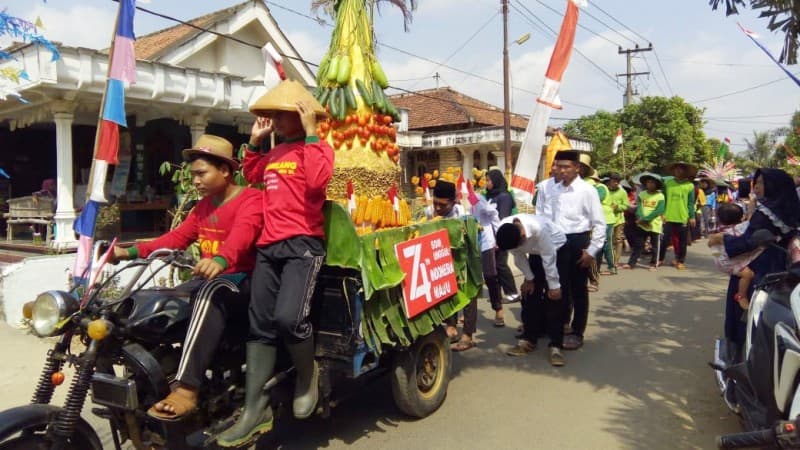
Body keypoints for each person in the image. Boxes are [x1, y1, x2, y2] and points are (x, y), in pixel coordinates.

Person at [109, 134, 263, 421]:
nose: (195, 181)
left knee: (210, 292)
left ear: (226, 171)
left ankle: (187, 388)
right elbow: (174, 239)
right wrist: (127, 251)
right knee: (160, 301)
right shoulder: (202, 207)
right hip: (215, 281)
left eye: (201, 173)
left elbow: (243, 235)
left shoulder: (251, 200)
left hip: (248, 282)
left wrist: (220, 259)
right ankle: (152, 374)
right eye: (193, 175)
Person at [218, 80, 334, 447]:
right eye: (275, 116)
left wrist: (313, 133)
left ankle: (306, 376)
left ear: (303, 117)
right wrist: (253, 142)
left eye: (285, 115)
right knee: (261, 325)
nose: (277, 121)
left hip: (303, 246)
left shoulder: (318, 150)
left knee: (289, 318)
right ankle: (255, 409)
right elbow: (251, 175)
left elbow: (317, 184)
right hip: (269, 247)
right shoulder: (274, 154)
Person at [709, 168, 800, 350]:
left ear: (773, 186)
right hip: (781, 265)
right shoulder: (789, 210)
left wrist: (722, 239)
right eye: (755, 183)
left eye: (760, 183)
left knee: (747, 307)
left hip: (758, 266)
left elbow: (748, 242)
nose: (756, 188)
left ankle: (740, 348)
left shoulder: (765, 213)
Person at [538, 150, 605, 351]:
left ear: (577, 168)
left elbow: (600, 224)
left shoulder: (587, 191)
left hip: (578, 241)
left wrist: (591, 251)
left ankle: (577, 331)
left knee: (578, 290)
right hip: (557, 242)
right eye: (559, 166)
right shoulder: (554, 190)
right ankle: (559, 326)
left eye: (567, 167)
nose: (562, 171)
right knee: (558, 287)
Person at [496, 214, 567, 366]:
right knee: (529, 294)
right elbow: (519, 256)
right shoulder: (505, 229)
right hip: (535, 252)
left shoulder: (538, 228)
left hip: (556, 248)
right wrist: (529, 279)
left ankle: (556, 345)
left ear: (522, 236)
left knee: (554, 297)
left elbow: (549, 257)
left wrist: (554, 286)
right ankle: (529, 339)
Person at [426, 181, 475, 346]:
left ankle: (468, 333)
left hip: (464, 255)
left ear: (454, 202)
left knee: (468, 293)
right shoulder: (429, 212)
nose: (438, 208)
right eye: (435, 203)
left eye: (443, 205)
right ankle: (451, 325)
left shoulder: (463, 214)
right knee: (446, 290)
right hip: (442, 257)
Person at [709, 203, 759, 309]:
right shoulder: (738, 229)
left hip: (719, 258)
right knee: (747, 274)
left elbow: (711, 244)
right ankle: (741, 296)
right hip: (728, 263)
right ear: (741, 217)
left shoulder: (720, 229)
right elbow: (749, 225)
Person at [484, 168, 519, 305]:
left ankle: (512, 293)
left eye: (488, 180)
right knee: (495, 267)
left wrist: (499, 239)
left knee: (501, 265)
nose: (486, 183)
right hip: (490, 237)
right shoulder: (492, 196)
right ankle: (498, 295)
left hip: (501, 236)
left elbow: (503, 218)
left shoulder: (504, 197)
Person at [658, 162, 697, 270]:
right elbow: (663, 199)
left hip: (683, 217)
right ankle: (660, 259)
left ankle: (680, 261)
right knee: (665, 240)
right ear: (673, 171)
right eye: (676, 169)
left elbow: (690, 203)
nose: (678, 171)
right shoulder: (668, 183)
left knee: (682, 241)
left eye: (681, 169)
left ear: (685, 171)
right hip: (668, 216)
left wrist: (692, 216)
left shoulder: (690, 186)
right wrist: (662, 213)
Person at [624, 173, 664, 270]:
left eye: (652, 182)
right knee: (638, 245)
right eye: (648, 182)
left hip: (654, 224)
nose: (650, 184)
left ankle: (653, 264)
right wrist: (640, 218)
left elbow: (659, 210)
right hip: (642, 224)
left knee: (655, 246)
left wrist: (646, 219)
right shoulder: (642, 194)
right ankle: (631, 263)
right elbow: (639, 208)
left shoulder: (660, 196)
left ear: (656, 184)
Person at [598, 173, 629, 274]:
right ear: (610, 180)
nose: (615, 183)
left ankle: (616, 261)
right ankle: (607, 260)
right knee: (608, 241)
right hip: (606, 219)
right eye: (613, 180)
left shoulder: (622, 192)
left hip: (618, 219)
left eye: (617, 181)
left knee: (618, 240)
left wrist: (618, 206)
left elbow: (626, 206)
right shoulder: (604, 190)